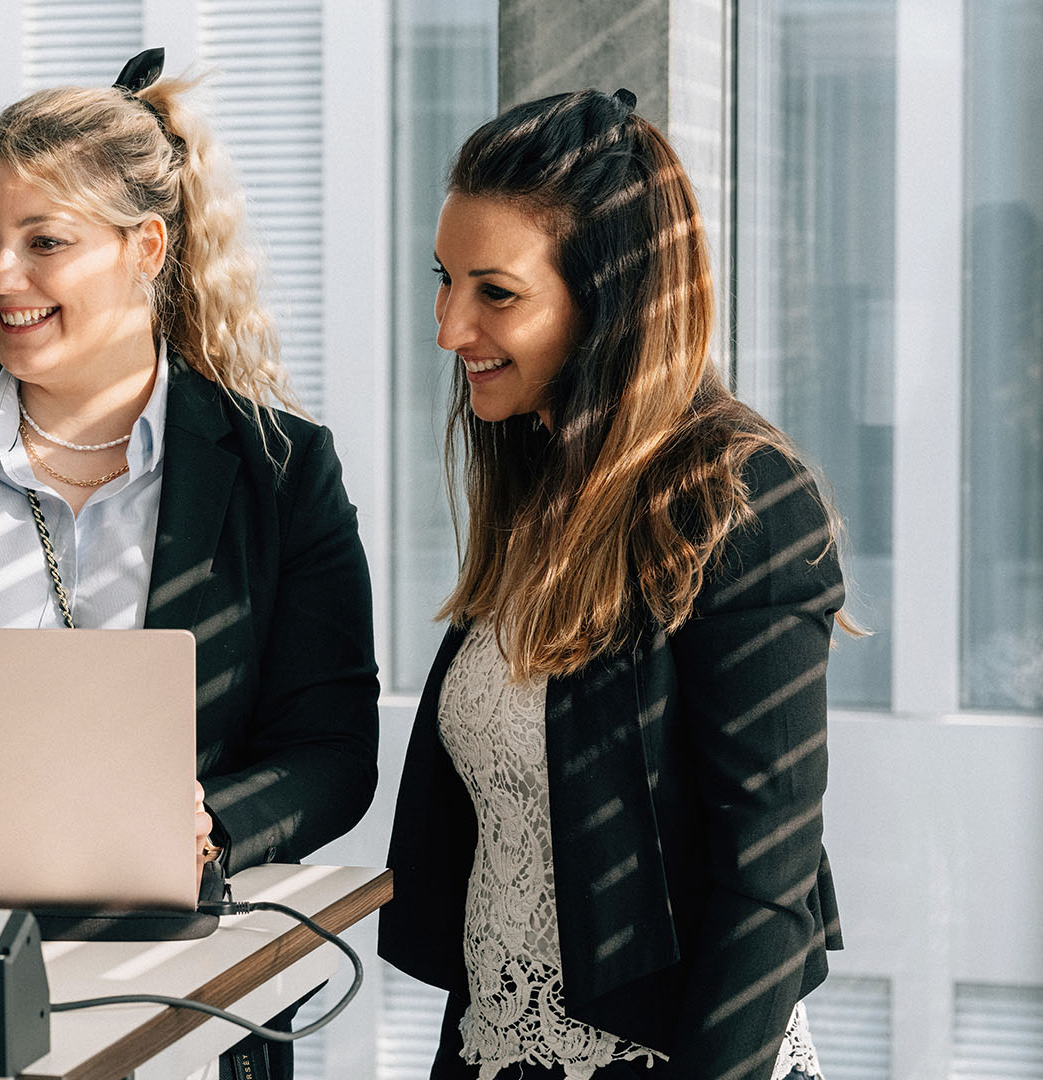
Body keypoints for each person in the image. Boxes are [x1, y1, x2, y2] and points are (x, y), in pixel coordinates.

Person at [0, 49, 379, 1074]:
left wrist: (210, 823)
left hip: (172, 992)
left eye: (42, 242)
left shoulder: (280, 473)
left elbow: (331, 752)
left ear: (146, 246)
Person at [378, 88, 848, 1080]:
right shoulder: (540, 484)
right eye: (444, 280)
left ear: (609, 298)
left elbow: (769, 875)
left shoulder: (742, 497)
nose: (449, 327)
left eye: (495, 292)